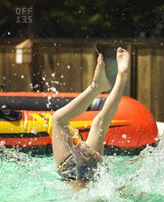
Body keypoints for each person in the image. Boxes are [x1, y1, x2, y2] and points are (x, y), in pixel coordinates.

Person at [49, 47, 130, 191]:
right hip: (76, 172)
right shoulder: (85, 192)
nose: (82, 144)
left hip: (84, 172)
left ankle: (116, 79)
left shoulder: (85, 190)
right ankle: (103, 84)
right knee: (59, 119)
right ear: (97, 157)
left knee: (98, 123)